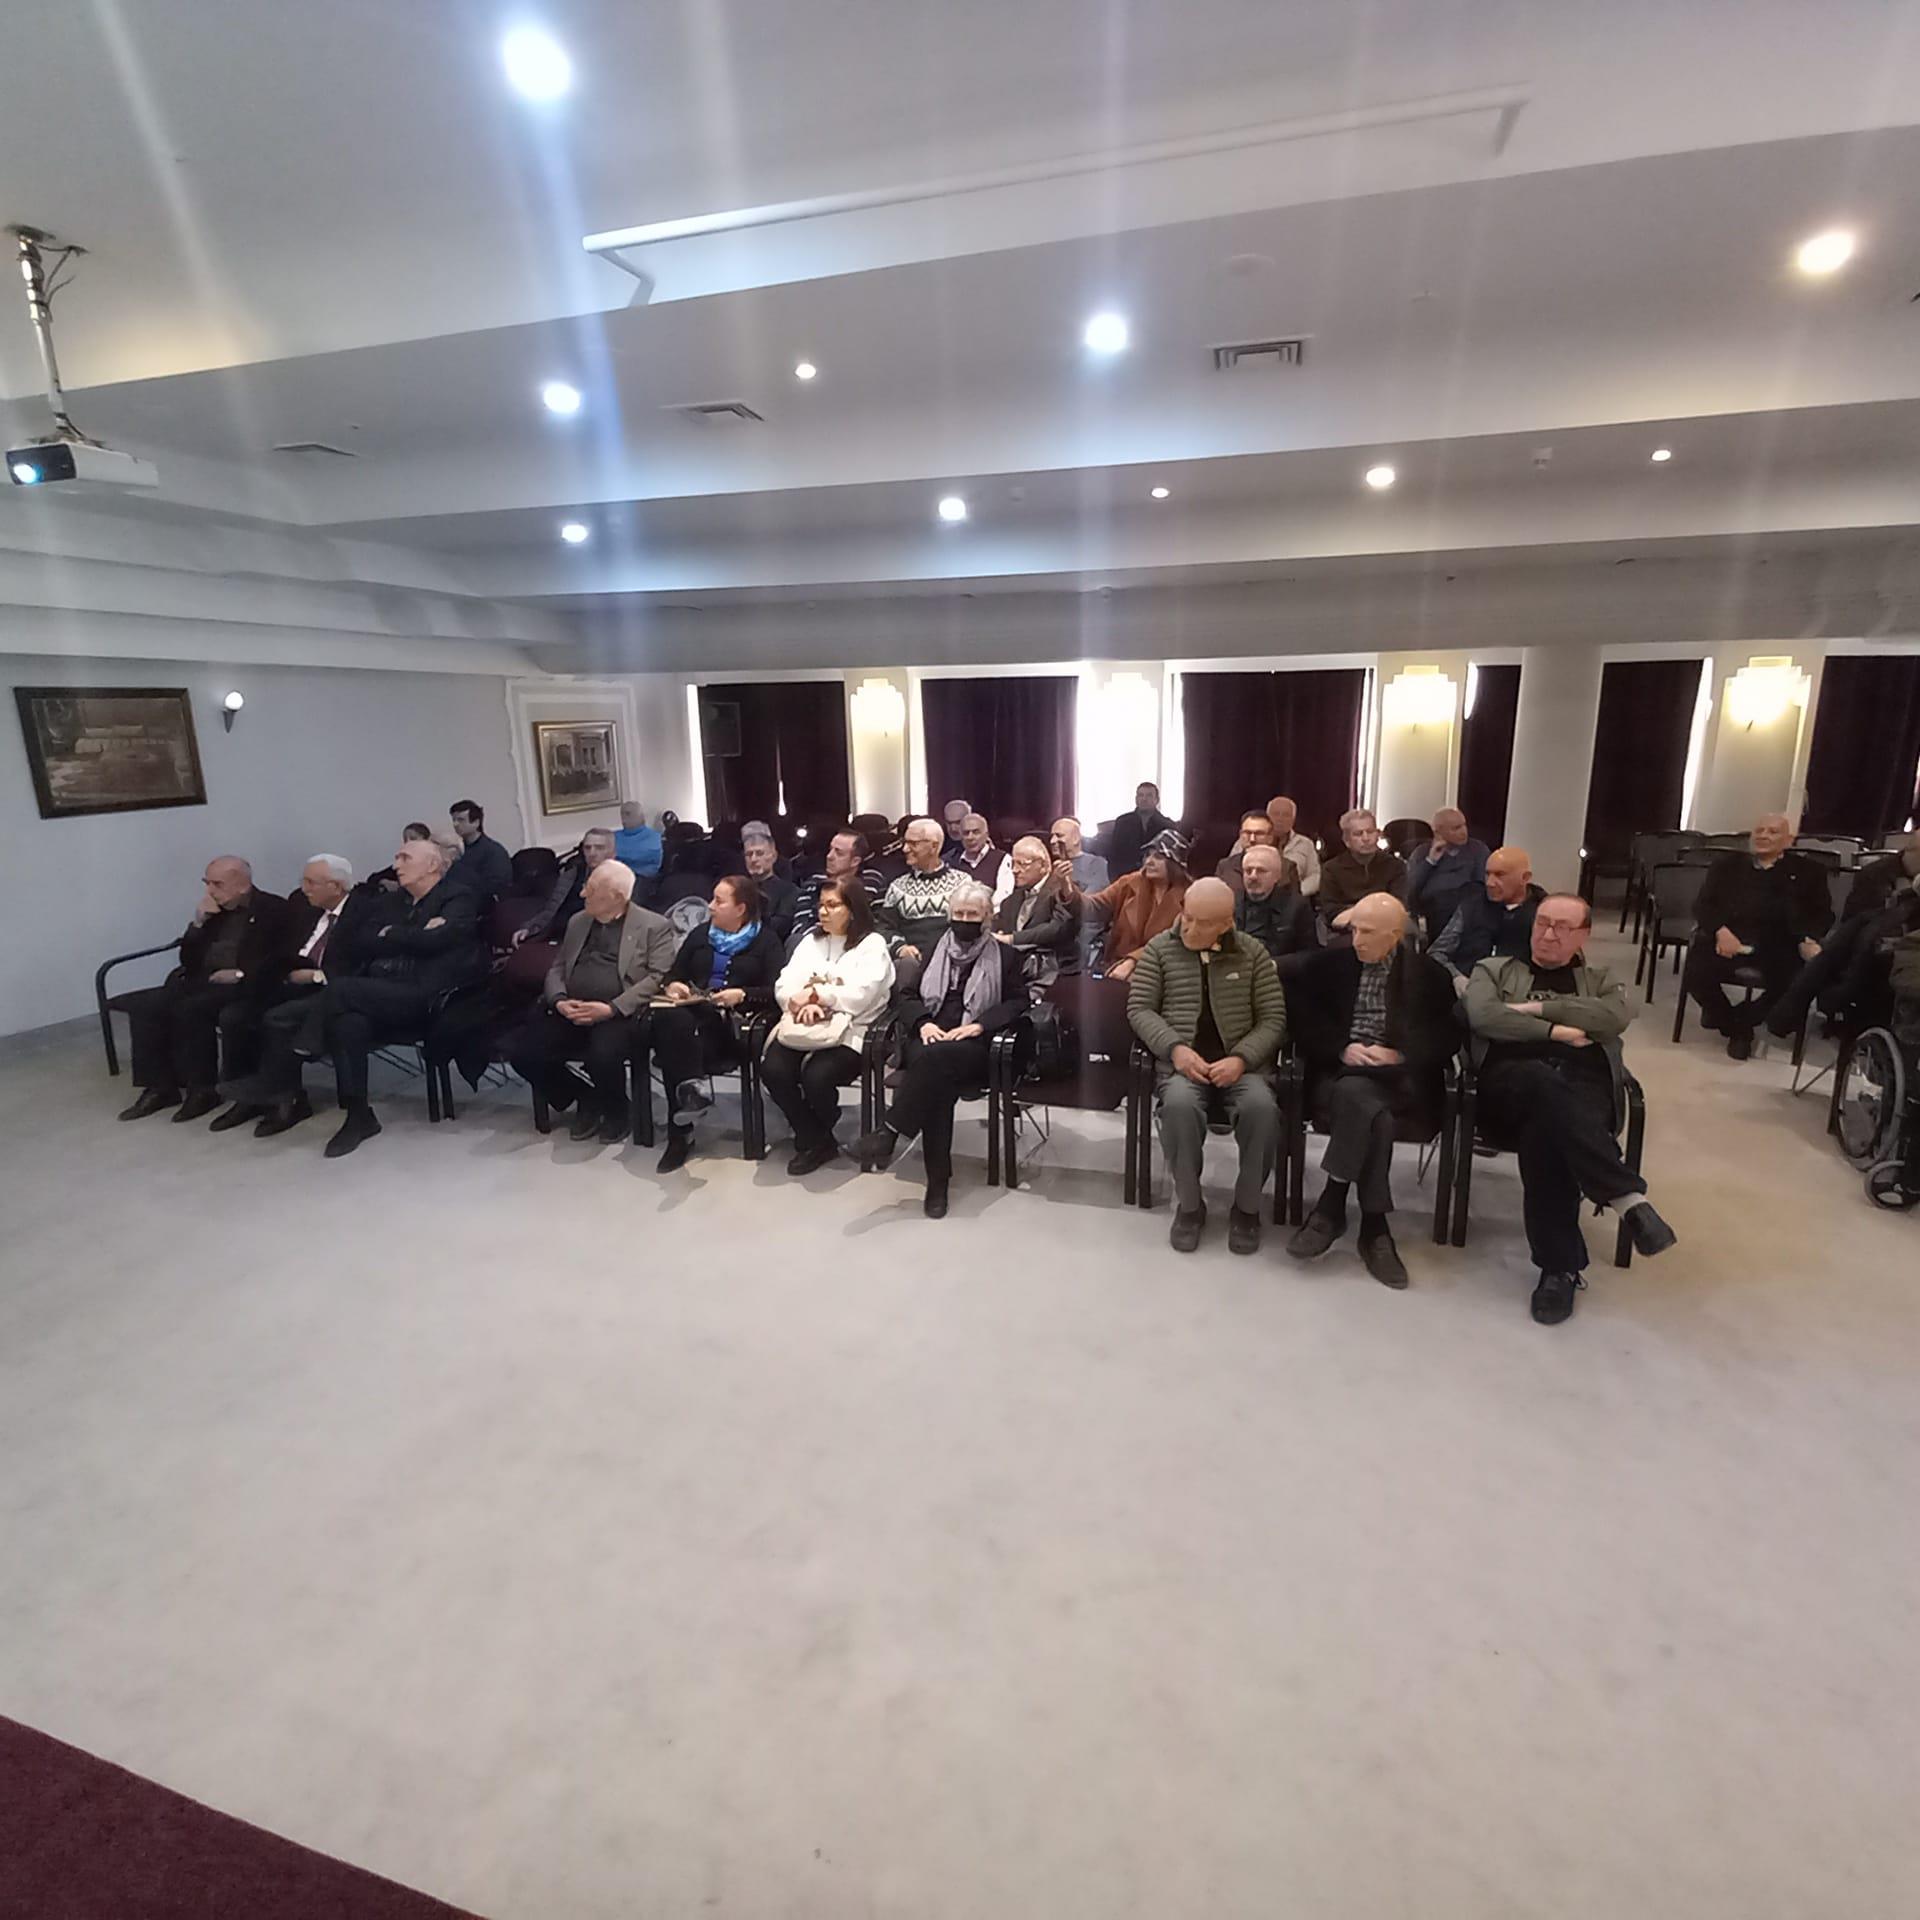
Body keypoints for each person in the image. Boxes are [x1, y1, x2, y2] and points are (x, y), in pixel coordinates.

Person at [1465, 895, 1677, 1324]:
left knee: (1548, 1132)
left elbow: (1613, 1017)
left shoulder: (1601, 979)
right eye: (1542, 923)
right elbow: (1485, 1016)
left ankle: (1559, 1268)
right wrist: (1560, 1031)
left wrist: (1537, 1010)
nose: (1548, 934)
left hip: (1583, 1083)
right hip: (1511, 1082)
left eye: (1562, 927)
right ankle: (1625, 1198)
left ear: (1584, 935)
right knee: (1541, 1083)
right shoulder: (1493, 969)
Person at [1283, 893, 1455, 1287]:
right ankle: (1375, 1227)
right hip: (1340, 1071)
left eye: (1368, 932)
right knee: (1372, 1113)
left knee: (1363, 1103)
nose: (1357, 940)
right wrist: (1341, 1047)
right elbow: (1300, 1020)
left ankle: (1332, 1206)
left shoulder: (1429, 975)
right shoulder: (1329, 966)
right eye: (1354, 930)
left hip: (1401, 1078)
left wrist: (1400, 1054)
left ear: (1395, 935)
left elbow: (1448, 1035)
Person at [1128, 877, 1286, 1254]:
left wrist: (1242, 1058)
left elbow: (1273, 1019)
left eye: (1203, 922)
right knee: (1179, 1108)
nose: (1190, 928)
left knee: (1262, 1110)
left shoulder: (1252, 953)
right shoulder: (1159, 950)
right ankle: (1190, 1206)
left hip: (1242, 1067)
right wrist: (1175, 1049)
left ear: (1227, 923)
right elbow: (1140, 1009)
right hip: (1182, 1066)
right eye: (1188, 917)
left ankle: (1247, 1208)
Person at [856, 882, 1025, 1218]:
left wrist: (980, 1025)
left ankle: (891, 1134)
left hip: (975, 1045)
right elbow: (907, 996)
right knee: (936, 1077)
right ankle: (935, 1180)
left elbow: (1018, 1002)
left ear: (987, 917)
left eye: (972, 915)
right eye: (958, 913)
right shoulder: (934, 948)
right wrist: (923, 1023)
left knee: (933, 1066)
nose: (964, 920)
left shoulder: (1006, 956)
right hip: (930, 1036)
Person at [114, 856, 297, 1123]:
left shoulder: (273, 909)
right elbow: (188, 960)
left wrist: (241, 973)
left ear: (243, 885)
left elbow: (280, 958)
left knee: (191, 1010)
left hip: (244, 983)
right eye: (207, 883)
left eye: (217, 884)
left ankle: (202, 1089)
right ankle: (159, 1087)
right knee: (146, 1006)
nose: (210, 891)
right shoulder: (214, 912)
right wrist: (198, 924)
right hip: (204, 979)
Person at [509, 861, 677, 1143]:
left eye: (592, 888)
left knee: (603, 1055)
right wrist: (560, 1000)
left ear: (617, 896)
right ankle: (585, 1096)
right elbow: (558, 967)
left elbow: (658, 977)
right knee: (524, 1054)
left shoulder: (654, 926)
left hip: (619, 1012)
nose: (583, 893)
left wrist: (612, 1008)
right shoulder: (578, 921)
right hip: (571, 1007)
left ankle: (617, 1110)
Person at [208, 854, 377, 1131]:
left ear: (335, 886)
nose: (304, 889)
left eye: (311, 882)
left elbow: (360, 962)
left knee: (278, 1017)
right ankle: (249, 1094)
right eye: (303, 881)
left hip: (330, 987)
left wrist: (316, 975)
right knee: (236, 1015)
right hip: (291, 981)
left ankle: (285, 1096)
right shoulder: (307, 909)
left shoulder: (363, 912)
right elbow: (283, 951)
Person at [761, 879, 895, 1174]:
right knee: (773, 1069)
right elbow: (785, 983)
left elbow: (861, 994)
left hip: (853, 1029)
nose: (823, 912)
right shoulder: (811, 942)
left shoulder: (872, 945)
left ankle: (815, 1136)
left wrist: (818, 997)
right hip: (804, 1023)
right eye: (821, 905)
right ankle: (816, 1136)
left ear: (853, 909)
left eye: (832, 905)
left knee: (816, 1076)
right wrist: (799, 1003)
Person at [651, 875, 784, 1172]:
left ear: (740, 909)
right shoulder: (700, 934)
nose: (710, 906)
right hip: (693, 1017)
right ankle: (690, 1097)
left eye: (719, 901)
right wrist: (674, 986)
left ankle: (681, 1130)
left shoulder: (766, 941)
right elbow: (673, 974)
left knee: (674, 1044)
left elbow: (777, 991)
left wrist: (743, 994)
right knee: (672, 1022)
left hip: (733, 1027)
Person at [1683, 812, 1830, 1059]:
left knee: (1796, 982)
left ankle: (1740, 1023)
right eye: (1759, 830)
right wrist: (1720, 930)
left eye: (1772, 832)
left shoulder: (1809, 872)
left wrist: (1809, 938)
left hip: (1780, 943)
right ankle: (1735, 1026)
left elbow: (1822, 913)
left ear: (1788, 840)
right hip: (1730, 938)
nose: (1763, 836)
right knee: (1696, 972)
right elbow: (1703, 905)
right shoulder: (1726, 866)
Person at [1765, 834, 1920, 1042]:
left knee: (1857, 935)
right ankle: (1832, 1001)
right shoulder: (1876, 873)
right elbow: (1855, 915)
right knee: (1860, 930)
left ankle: (1819, 1000)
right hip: (1876, 944)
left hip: (1894, 949)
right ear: (1910, 853)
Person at [1061, 831, 1191, 983]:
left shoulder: (1191, 895)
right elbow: (1094, 908)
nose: (1149, 861)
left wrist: (1133, 960)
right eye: (1148, 855)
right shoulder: (1129, 883)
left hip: (1166, 974)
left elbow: (1174, 942)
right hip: (1116, 968)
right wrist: (1068, 889)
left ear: (1174, 863)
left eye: (1158, 857)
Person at [1429, 845, 1544, 991]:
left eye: (1499, 875)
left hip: (1520, 994)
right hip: (1468, 990)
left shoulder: (1544, 913)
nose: (1490, 883)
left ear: (1525, 878)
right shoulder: (1471, 906)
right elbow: (1436, 953)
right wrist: (1456, 977)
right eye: (1487, 874)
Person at [876, 818, 965, 978]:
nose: (905, 849)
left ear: (934, 846)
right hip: (911, 965)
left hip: (952, 963)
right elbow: (884, 928)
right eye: (905, 842)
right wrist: (900, 948)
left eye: (913, 843)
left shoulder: (962, 884)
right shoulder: (897, 887)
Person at [992, 835, 1078, 988]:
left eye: (1022, 864)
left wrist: (1012, 939)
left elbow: (1057, 929)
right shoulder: (1010, 901)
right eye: (1013, 863)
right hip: (1016, 974)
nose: (1015, 870)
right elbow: (998, 928)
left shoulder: (1062, 891)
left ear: (1043, 865)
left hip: (1055, 974)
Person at [1404, 807, 1490, 943]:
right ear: (1438, 832)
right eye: (1456, 828)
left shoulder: (1478, 850)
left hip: (1466, 917)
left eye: (1464, 825)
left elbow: (1482, 888)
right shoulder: (1421, 853)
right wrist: (1430, 861)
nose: (1463, 832)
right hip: (1431, 916)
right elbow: (1410, 891)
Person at [1234, 845, 1318, 974]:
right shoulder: (1230, 903)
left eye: (1261, 871)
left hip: (1278, 974)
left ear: (1277, 876)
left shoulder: (1296, 906)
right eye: (1248, 871)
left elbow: (1310, 955)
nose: (1253, 876)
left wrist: (1274, 965)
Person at [790, 830, 885, 940]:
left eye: (839, 853)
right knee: (795, 940)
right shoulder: (813, 882)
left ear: (855, 861)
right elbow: (799, 925)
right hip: (816, 942)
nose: (829, 856)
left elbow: (874, 923)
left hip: (857, 943)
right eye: (830, 849)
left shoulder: (872, 881)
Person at [1316, 809, 1408, 921]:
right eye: (1358, 834)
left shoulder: (1396, 866)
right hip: (1346, 925)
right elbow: (1332, 912)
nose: (1366, 838)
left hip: (1387, 922)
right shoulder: (1331, 869)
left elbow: (1398, 905)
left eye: (1370, 832)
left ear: (1378, 835)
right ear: (1346, 840)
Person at [446, 799, 511, 908]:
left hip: (482, 907)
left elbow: (497, 887)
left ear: (476, 822)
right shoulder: (456, 850)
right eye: (454, 820)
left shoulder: (493, 851)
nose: (455, 824)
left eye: (461, 820)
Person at [1105, 781, 1176, 879]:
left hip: (1156, 877)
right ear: (1136, 799)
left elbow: (1170, 860)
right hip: (1126, 876)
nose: (1144, 799)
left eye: (1149, 795)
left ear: (1157, 800)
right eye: (1141, 795)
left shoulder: (1167, 825)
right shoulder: (1122, 822)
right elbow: (1113, 855)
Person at [740, 823, 800, 941]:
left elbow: (780, 927)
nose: (753, 859)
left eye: (760, 853)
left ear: (773, 856)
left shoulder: (789, 891)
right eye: (748, 854)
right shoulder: (738, 889)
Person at [1266, 796, 1321, 897]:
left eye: (1286, 815)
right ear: (1267, 817)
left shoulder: (1305, 844)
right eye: (1276, 814)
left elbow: (1315, 875)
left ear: (1293, 819)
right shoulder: (1252, 839)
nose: (1280, 819)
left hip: (1295, 898)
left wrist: (1297, 893)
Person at [1215, 811, 1279, 895]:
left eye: (1259, 833)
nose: (1252, 839)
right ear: (1240, 835)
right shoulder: (1225, 866)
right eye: (1247, 833)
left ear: (1270, 837)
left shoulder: (1287, 868)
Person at [948, 812, 1007, 893]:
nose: (970, 837)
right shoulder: (951, 863)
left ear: (986, 835)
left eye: (976, 832)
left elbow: (1004, 895)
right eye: (966, 833)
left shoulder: (1002, 859)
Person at [1049, 816, 1108, 892]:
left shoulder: (1097, 864)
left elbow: (1091, 897)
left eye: (1059, 835)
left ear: (1075, 838)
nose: (1052, 841)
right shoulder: (1048, 867)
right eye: (1051, 836)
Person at [613, 801, 663, 879]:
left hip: (645, 880)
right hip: (616, 878)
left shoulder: (655, 837)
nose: (623, 818)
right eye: (622, 814)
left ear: (641, 816)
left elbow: (651, 859)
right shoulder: (613, 836)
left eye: (628, 814)